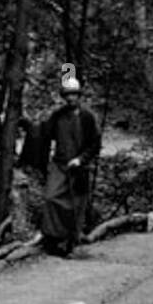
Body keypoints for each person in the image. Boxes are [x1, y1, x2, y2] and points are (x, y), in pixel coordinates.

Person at [20, 77, 101, 257]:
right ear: (64, 96)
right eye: (68, 94)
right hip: (60, 164)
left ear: (79, 95)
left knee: (75, 204)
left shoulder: (88, 117)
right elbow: (42, 132)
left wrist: (81, 159)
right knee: (51, 197)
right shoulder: (58, 115)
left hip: (79, 168)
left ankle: (70, 243)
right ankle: (51, 237)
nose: (71, 98)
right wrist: (24, 123)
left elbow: (95, 143)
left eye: (74, 94)